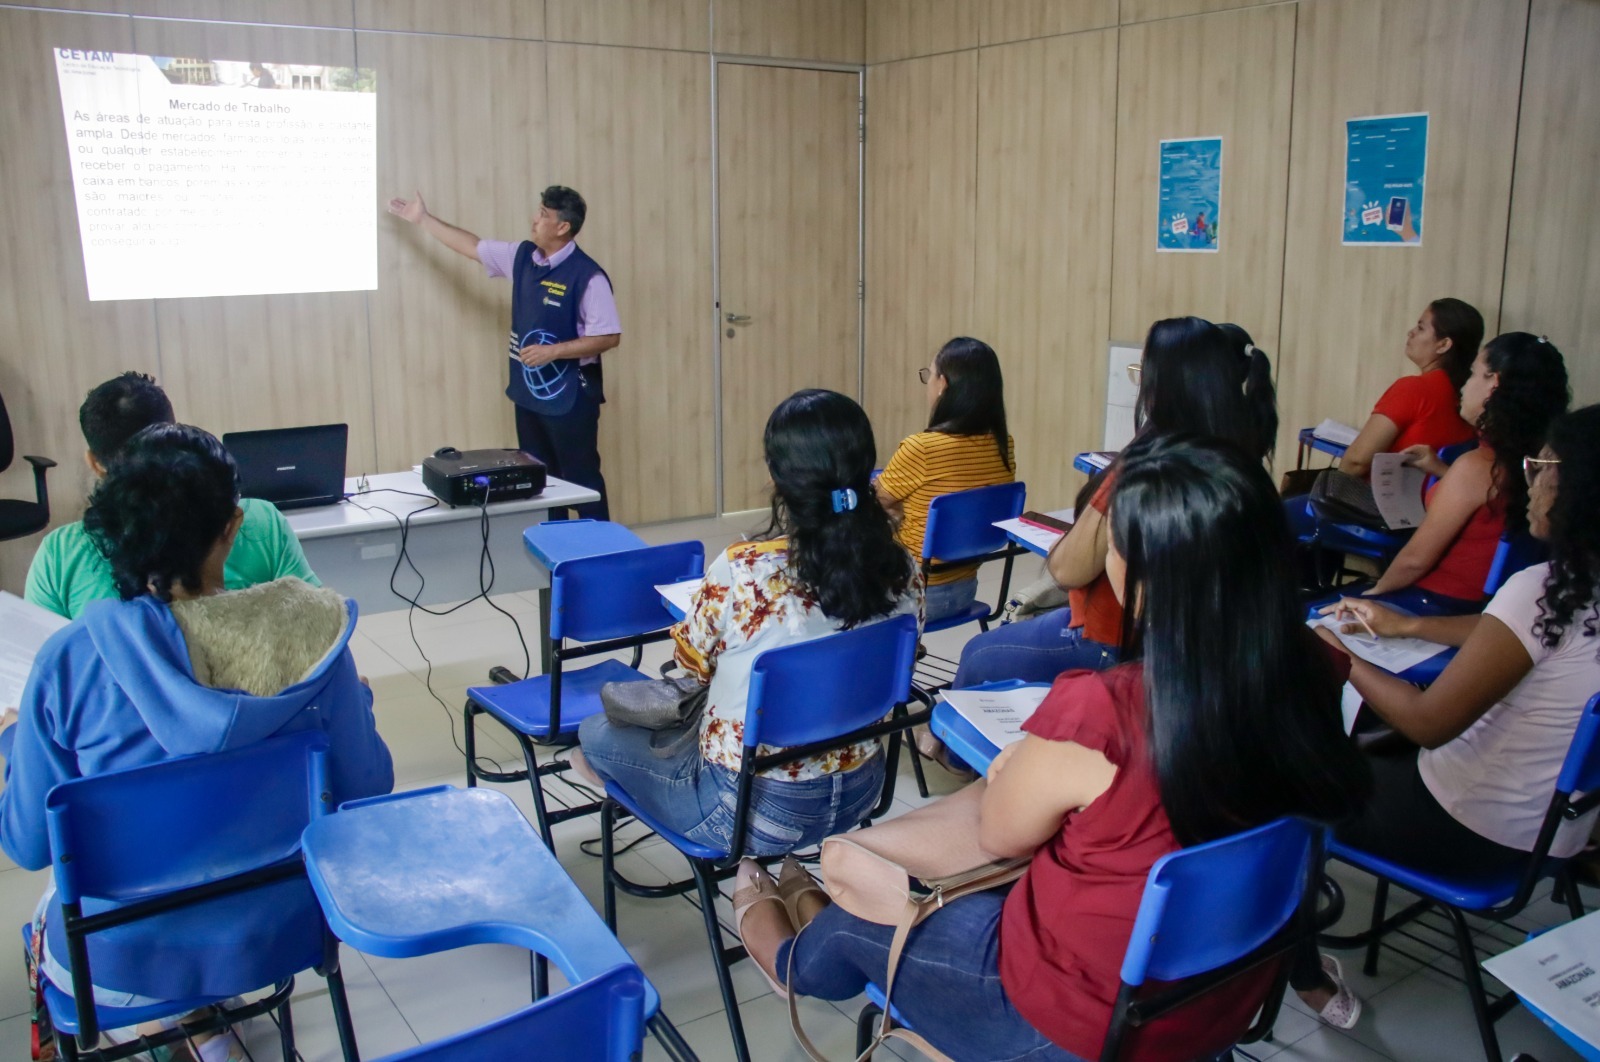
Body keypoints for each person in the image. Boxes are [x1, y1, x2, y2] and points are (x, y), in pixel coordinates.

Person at [734, 433, 1370, 1060]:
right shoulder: (1316, 669)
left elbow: (1002, 834)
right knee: (893, 897)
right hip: (1215, 1000)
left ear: (1143, 569)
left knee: (858, 920)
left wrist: (1014, 766)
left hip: (1064, 1022)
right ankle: (809, 906)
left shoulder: (1106, 711)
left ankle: (785, 951)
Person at [0, 424, 393, 1060]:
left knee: (71, 899)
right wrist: (357, 701)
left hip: (120, 956)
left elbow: (23, 844)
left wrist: (18, 740)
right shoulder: (316, 635)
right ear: (232, 527)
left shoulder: (68, 661)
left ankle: (186, 1033)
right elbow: (370, 786)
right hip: (281, 930)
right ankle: (211, 1032)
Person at [1303, 404, 1600, 1017]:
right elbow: (1518, 636)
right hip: (1552, 836)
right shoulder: (1574, 590)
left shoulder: (1543, 586)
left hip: (1469, 831)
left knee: (1290, 780)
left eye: (1544, 466)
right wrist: (1412, 624)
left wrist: (1339, 655)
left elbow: (1430, 723)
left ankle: (1292, 962)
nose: (1534, 479)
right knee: (1373, 746)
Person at [573, 390, 922, 854]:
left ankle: (690, 827)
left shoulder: (743, 570)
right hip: (865, 787)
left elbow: (692, 664)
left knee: (594, 734)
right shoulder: (904, 566)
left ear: (778, 477)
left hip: (749, 812)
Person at [952, 317, 1276, 688]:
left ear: (1162, 387)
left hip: (1118, 642)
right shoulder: (1243, 463)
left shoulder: (1143, 469)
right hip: (1198, 648)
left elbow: (1068, 570)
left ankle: (951, 744)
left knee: (978, 654)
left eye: (1142, 372)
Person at [386, 185, 619, 519]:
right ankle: (553, 557)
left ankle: (599, 555)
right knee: (542, 480)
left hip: (570, 398)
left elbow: (609, 336)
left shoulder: (587, 276)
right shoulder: (523, 257)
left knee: (581, 479)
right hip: (528, 395)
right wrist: (423, 219)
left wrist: (554, 352)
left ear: (562, 227)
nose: (534, 219)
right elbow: (471, 246)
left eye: (543, 214)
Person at [25, 372, 320, 621]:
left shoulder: (61, 555)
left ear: (95, 463)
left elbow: (38, 665)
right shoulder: (260, 521)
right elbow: (317, 625)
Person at [1353, 332, 1568, 612]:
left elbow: (1414, 561)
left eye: (1472, 375)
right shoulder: (1543, 461)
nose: (1464, 387)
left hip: (1435, 604)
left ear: (1494, 382)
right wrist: (1444, 471)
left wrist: (1372, 594)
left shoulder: (1477, 467)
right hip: (1492, 609)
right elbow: (1490, 505)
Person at [874, 337, 1013, 624]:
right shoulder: (1003, 444)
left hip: (912, 594)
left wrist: (896, 508)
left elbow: (873, 502)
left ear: (943, 384)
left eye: (929, 374)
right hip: (966, 590)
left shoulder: (922, 448)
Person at [1337, 299, 1483, 479]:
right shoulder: (1469, 400)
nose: (1411, 332)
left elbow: (1356, 462)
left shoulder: (1414, 389)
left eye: (1421, 328)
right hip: (1429, 502)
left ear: (1444, 345)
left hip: (1376, 502)